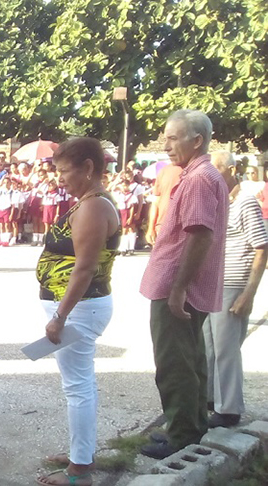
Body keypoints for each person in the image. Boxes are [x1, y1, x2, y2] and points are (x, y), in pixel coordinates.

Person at [139, 110, 229, 459]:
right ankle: (190, 426)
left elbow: (199, 236)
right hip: (185, 286)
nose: (166, 144)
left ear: (197, 140)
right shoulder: (202, 175)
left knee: (175, 362)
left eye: (173, 137)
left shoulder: (198, 179)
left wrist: (179, 289)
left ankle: (181, 434)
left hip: (178, 288)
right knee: (191, 359)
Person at [34, 138, 120, 486]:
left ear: (88, 168)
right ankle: (79, 452)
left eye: (65, 171)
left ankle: (79, 470)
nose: (60, 178)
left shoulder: (94, 207)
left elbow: (84, 269)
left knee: (78, 387)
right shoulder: (88, 203)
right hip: (79, 308)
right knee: (79, 385)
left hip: (81, 309)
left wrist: (60, 316)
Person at [202, 151, 267, 428]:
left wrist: (248, 293)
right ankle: (209, 400)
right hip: (212, 284)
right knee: (207, 346)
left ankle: (228, 408)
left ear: (230, 170)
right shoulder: (219, 202)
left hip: (232, 284)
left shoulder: (245, 203)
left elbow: (261, 248)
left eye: (216, 169)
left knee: (227, 348)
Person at [145, 163, 183, 245]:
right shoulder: (164, 171)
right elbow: (155, 202)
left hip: (186, 226)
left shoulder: (196, 171)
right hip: (163, 224)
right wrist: (151, 228)